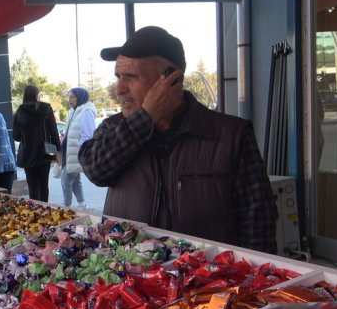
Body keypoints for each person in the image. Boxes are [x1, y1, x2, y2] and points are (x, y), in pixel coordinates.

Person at [79, 26, 277, 253]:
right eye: (118, 77)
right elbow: (96, 169)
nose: (119, 88)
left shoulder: (231, 135)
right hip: (131, 280)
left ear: (172, 80)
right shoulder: (113, 129)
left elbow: (259, 223)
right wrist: (146, 119)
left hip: (208, 283)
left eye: (131, 77)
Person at [12, 85, 58, 202]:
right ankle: (46, 212)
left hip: (27, 154)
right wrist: (57, 149)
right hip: (45, 152)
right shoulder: (47, 109)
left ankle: (36, 213)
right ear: (37, 95)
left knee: (33, 187)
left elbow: (16, 137)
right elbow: (54, 131)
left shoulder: (20, 111)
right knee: (44, 186)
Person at [61, 87, 97, 208]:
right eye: (69, 97)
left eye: (73, 97)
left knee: (66, 180)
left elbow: (88, 134)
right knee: (75, 180)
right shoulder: (73, 111)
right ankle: (82, 205)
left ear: (80, 97)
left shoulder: (86, 111)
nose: (70, 100)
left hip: (76, 152)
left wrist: (80, 150)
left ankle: (67, 207)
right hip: (68, 152)